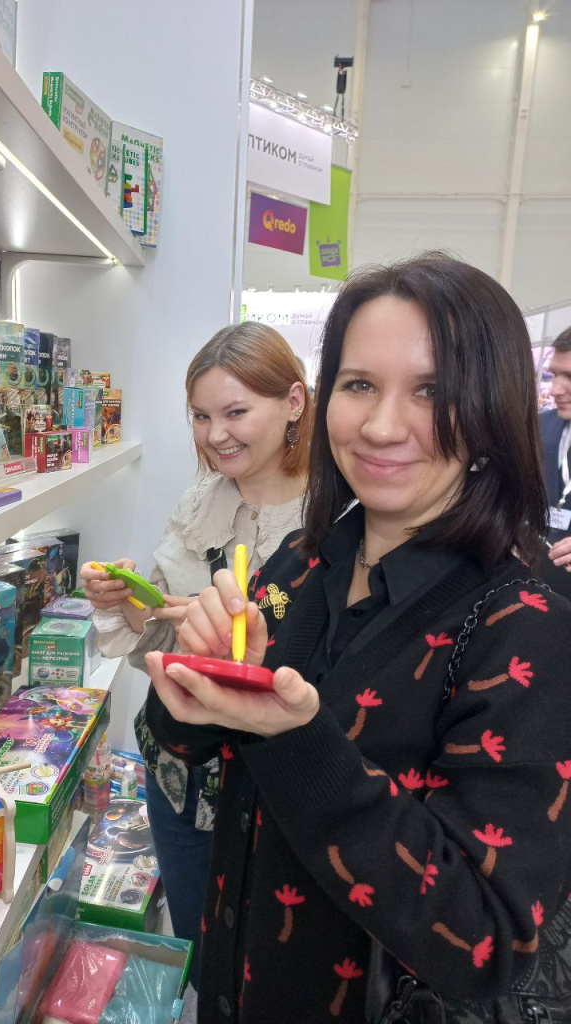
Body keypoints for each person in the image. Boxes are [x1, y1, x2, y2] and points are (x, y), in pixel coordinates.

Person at [144, 254, 571, 1023]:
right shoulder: (302, 561)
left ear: (492, 409)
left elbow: (489, 938)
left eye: (431, 391)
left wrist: (297, 739)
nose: (380, 426)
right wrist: (196, 681)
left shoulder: (524, 624)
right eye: (360, 384)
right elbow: (185, 744)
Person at [80, 322, 313, 988]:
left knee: (279, 965)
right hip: (177, 774)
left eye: (235, 412)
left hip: (279, 788)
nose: (216, 435)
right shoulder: (198, 504)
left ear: (293, 402)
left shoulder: (339, 515)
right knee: (200, 950)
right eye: (202, 416)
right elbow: (159, 644)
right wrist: (128, 603)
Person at [537, 326, 571, 598]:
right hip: (540, 579)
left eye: (569, 376)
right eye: (554, 374)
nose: (555, 390)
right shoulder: (539, 426)